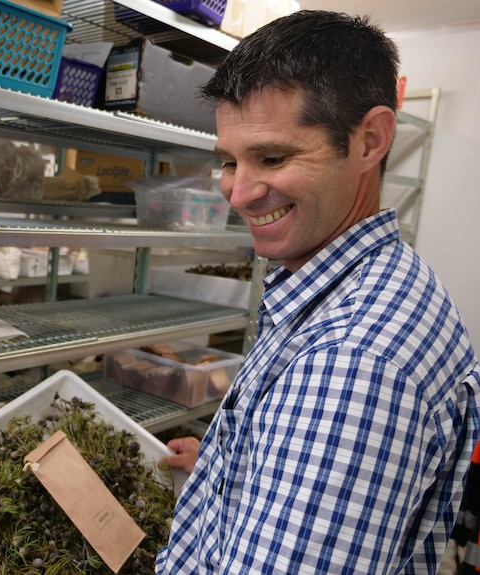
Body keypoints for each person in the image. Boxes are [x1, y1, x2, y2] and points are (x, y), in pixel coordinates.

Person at [156, 10, 480, 574]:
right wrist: (230, 465)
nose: (239, 192)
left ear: (369, 141)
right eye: (229, 161)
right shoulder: (355, 285)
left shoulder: (354, 365)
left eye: (274, 158)